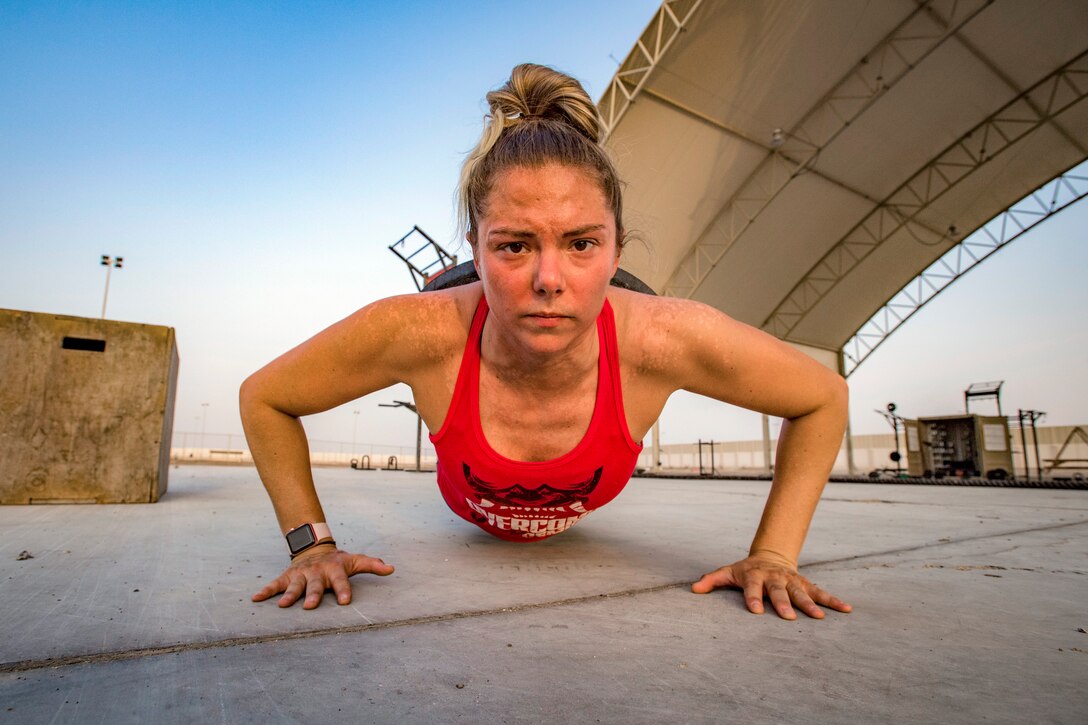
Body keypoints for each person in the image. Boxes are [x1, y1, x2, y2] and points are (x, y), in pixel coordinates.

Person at [240, 63, 852, 621]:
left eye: (583, 243)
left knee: (599, 307)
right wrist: (310, 546)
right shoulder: (417, 332)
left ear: (617, 249)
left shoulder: (665, 338)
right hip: (469, 313)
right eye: (513, 245)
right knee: (476, 305)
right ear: (474, 249)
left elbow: (821, 397)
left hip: (615, 320)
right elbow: (264, 396)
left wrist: (775, 554)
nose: (549, 280)